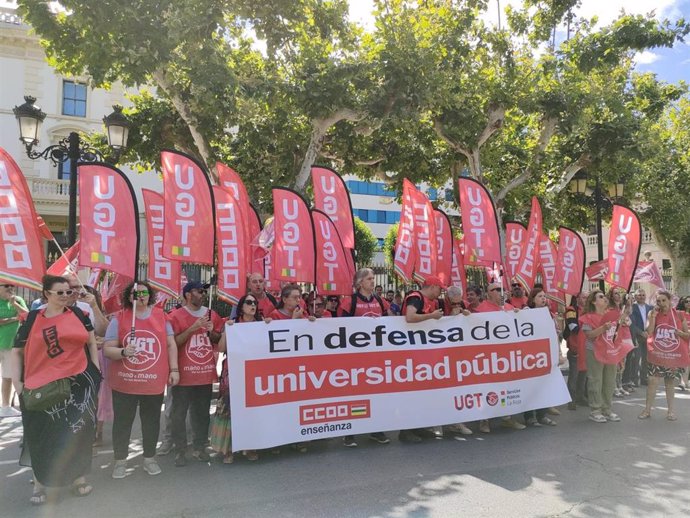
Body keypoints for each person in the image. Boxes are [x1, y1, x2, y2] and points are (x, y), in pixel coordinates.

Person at [11, 275, 101, 505]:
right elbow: (17, 351)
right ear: (46, 294)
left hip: (79, 383)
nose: (66, 296)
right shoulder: (32, 318)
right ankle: (40, 484)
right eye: (60, 292)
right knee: (41, 434)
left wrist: (96, 373)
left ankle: (78, 478)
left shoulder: (80, 315)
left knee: (78, 432)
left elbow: (91, 343)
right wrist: (17, 383)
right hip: (40, 385)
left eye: (69, 291)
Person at [103, 281, 179, 478]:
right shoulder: (119, 319)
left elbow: (171, 345)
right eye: (136, 293)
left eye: (145, 292)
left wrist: (175, 369)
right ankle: (120, 461)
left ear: (150, 295)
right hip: (124, 381)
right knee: (122, 422)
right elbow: (107, 348)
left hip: (152, 381)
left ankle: (149, 458)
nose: (141, 296)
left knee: (151, 421)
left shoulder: (162, 316)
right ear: (129, 297)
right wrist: (122, 351)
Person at [168, 281, 224, 467]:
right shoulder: (175, 316)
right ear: (187, 295)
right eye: (198, 291)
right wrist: (193, 328)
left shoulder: (212, 315)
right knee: (178, 414)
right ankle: (179, 450)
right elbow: (173, 343)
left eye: (203, 291)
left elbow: (218, 340)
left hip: (204, 374)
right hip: (183, 376)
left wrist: (211, 332)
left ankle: (200, 447)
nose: (202, 294)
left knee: (202, 414)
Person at [338, 268, 391, 447]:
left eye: (373, 278)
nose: (373, 281)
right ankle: (349, 433)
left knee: (375, 395)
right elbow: (340, 329)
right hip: (354, 358)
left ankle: (376, 430)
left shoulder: (380, 301)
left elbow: (390, 322)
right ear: (360, 283)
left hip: (375, 358)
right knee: (353, 395)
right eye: (369, 279)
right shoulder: (349, 302)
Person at [212, 293, 265, 463]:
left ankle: (250, 447)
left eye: (254, 302)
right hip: (232, 372)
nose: (253, 305)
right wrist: (227, 330)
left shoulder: (261, 324)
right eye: (249, 302)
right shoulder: (232, 323)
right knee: (229, 410)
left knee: (252, 409)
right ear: (241, 306)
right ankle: (227, 449)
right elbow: (220, 348)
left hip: (253, 372)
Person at [399, 276, 445, 443]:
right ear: (432, 287)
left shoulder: (431, 301)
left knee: (423, 391)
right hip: (408, 351)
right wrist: (431, 316)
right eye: (439, 289)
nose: (440, 293)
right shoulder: (415, 297)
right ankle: (406, 430)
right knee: (411, 392)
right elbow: (410, 317)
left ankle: (419, 427)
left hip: (422, 352)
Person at [473, 283, 523, 433]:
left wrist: (518, 314)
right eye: (495, 289)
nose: (498, 292)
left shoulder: (508, 308)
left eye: (500, 289)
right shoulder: (480, 309)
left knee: (506, 387)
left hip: (505, 357)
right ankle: (484, 420)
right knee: (486, 388)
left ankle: (507, 419)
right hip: (487, 356)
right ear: (488, 293)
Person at [638, 290, 689, 421]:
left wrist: (681, 334)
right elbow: (649, 332)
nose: (661, 303)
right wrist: (653, 317)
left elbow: (687, 335)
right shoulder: (653, 313)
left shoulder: (679, 314)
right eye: (658, 301)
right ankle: (647, 410)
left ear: (670, 300)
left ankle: (671, 411)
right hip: (657, 353)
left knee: (669, 382)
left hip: (673, 354)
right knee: (652, 381)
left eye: (664, 300)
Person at [580, 290, 620, 423]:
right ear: (593, 301)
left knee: (609, 380)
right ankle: (595, 410)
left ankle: (607, 409)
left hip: (610, 351)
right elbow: (589, 335)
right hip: (594, 351)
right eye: (600, 297)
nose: (604, 298)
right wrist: (603, 328)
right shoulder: (588, 317)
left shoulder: (612, 315)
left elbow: (618, 334)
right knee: (596, 380)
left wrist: (623, 323)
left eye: (604, 296)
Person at [523, 287, 558, 427]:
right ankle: (530, 416)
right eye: (539, 296)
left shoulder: (548, 313)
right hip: (529, 355)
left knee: (544, 386)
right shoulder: (526, 312)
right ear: (532, 299)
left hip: (544, 354)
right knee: (531, 386)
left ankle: (542, 415)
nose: (543, 299)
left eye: (544, 296)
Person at [442, 285, 472, 436]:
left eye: (458, 302)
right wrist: (450, 316)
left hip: (461, 352)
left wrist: (466, 314)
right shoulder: (440, 304)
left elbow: (472, 321)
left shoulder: (464, 304)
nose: (457, 305)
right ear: (447, 298)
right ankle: (447, 422)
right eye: (453, 303)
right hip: (443, 354)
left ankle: (457, 422)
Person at [0, 283, 28, 417]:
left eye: (12, 285)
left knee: (8, 376)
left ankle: (5, 407)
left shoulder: (18, 300)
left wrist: (15, 304)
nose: (10, 288)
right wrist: (14, 318)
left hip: (10, 345)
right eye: (6, 285)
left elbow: (27, 316)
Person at [564, 292, 588, 410]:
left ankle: (581, 397)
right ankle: (571, 400)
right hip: (575, 346)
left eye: (588, 298)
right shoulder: (571, 310)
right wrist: (589, 331)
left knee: (583, 374)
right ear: (577, 299)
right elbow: (573, 327)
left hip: (586, 347)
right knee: (574, 375)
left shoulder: (589, 310)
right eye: (584, 297)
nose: (586, 299)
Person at [628, 289, 653, 387]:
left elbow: (652, 321)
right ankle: (634, 379)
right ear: (635, 296)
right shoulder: (632, 307)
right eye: (639, 295)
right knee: (636, 358)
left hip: (648, 336)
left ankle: (644, 378)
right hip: (636, 336)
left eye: (643, 295)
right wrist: (640, 332)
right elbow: (631, 323)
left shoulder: (650, 307)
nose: (641, 297)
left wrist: (648, 332)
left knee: (646, 359)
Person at [674, 296, 690, 391]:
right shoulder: (680, 313)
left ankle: (686, 380)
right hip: (684, 338)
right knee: (684, 360)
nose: (688, 303)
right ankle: (682, 382)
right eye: (687, 301)